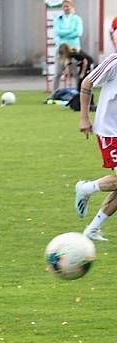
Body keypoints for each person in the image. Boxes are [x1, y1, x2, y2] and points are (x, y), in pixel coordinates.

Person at [73, 53, 117, 241]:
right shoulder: (114, 62)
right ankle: (86, 188)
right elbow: (86, 83)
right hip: (110, 131)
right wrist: (84, 117)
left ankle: (92, 230)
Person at [52, 0, 84, 93]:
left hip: (73, 48)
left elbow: (78, 33)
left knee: (75, 72)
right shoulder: (59, 19)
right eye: (64, 6)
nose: (66, 8)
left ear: (72, 7)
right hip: (61, 49)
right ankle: (54, 93)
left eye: (68, 6)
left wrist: (65, 34)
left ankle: (78, 93)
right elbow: (58, 32)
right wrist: (71, 31)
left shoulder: (77, 19)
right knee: (57, 73)